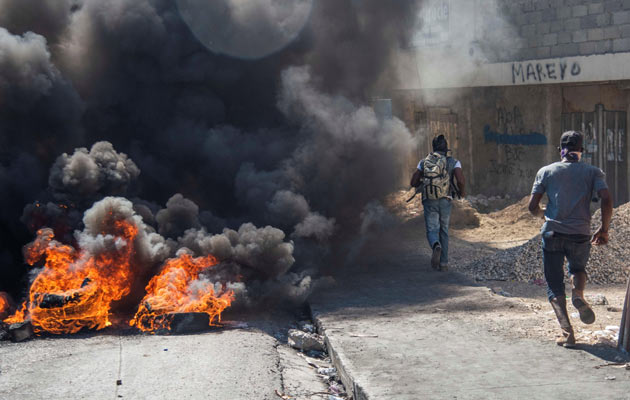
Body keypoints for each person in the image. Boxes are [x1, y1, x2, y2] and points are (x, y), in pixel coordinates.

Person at [528, 130, 612, 348]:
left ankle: (568, 333)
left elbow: (532, 207)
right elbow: (607, 200)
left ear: (560, 151)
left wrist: (542, 214)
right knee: (577, 269)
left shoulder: (546, 171)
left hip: (553, 232)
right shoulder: (594, 172)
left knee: (554, 285)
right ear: (581, 151)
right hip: (580, 234)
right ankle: (578, 293)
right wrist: (604, 229)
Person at [410, 134, 465, 271]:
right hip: (446, 200)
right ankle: (444, 263)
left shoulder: (424, 162)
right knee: (444, 230)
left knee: (431, 229)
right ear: (446, 148)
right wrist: (462, 192)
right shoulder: (454, 162)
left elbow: (413, 182)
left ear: (433, 148)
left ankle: (435, 245)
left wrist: (422, 182)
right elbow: (460, 180)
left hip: (429, 200)